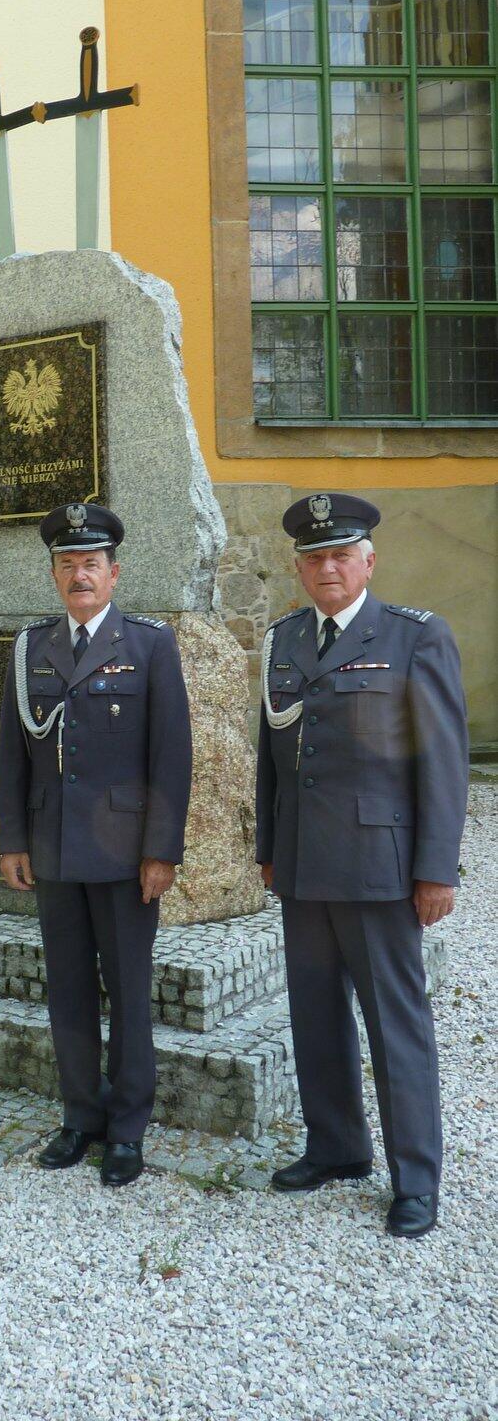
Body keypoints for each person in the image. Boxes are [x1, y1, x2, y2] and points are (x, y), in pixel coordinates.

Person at [256, 493, 469, 1239]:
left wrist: (436, 869)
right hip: (303, 864)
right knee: (315, 1017)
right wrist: (268, 851)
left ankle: (416, 1178)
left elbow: (443, 762)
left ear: (368, 563)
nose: (328, 568)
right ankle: (337, 1147)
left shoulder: (415, 636)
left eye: (341, 555)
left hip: (379, 865)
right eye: (314, 557)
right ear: (299, 569)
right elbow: (272, 757)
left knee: (395, 1023)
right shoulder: (284, 639)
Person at [0, 503, 192, 1187]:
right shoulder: (31, 648)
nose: (79, 575)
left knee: (130, 992)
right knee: (69, 990)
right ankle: (80, 1114)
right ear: (54, 574)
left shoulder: (149, 645)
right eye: (67, 564)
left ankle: (128, 1128)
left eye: (91, 564)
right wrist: (12, 839)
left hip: (124, 854)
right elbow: (13, 754)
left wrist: (161, 851)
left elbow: (172, 756)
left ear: (115, 573)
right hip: (53, 849)